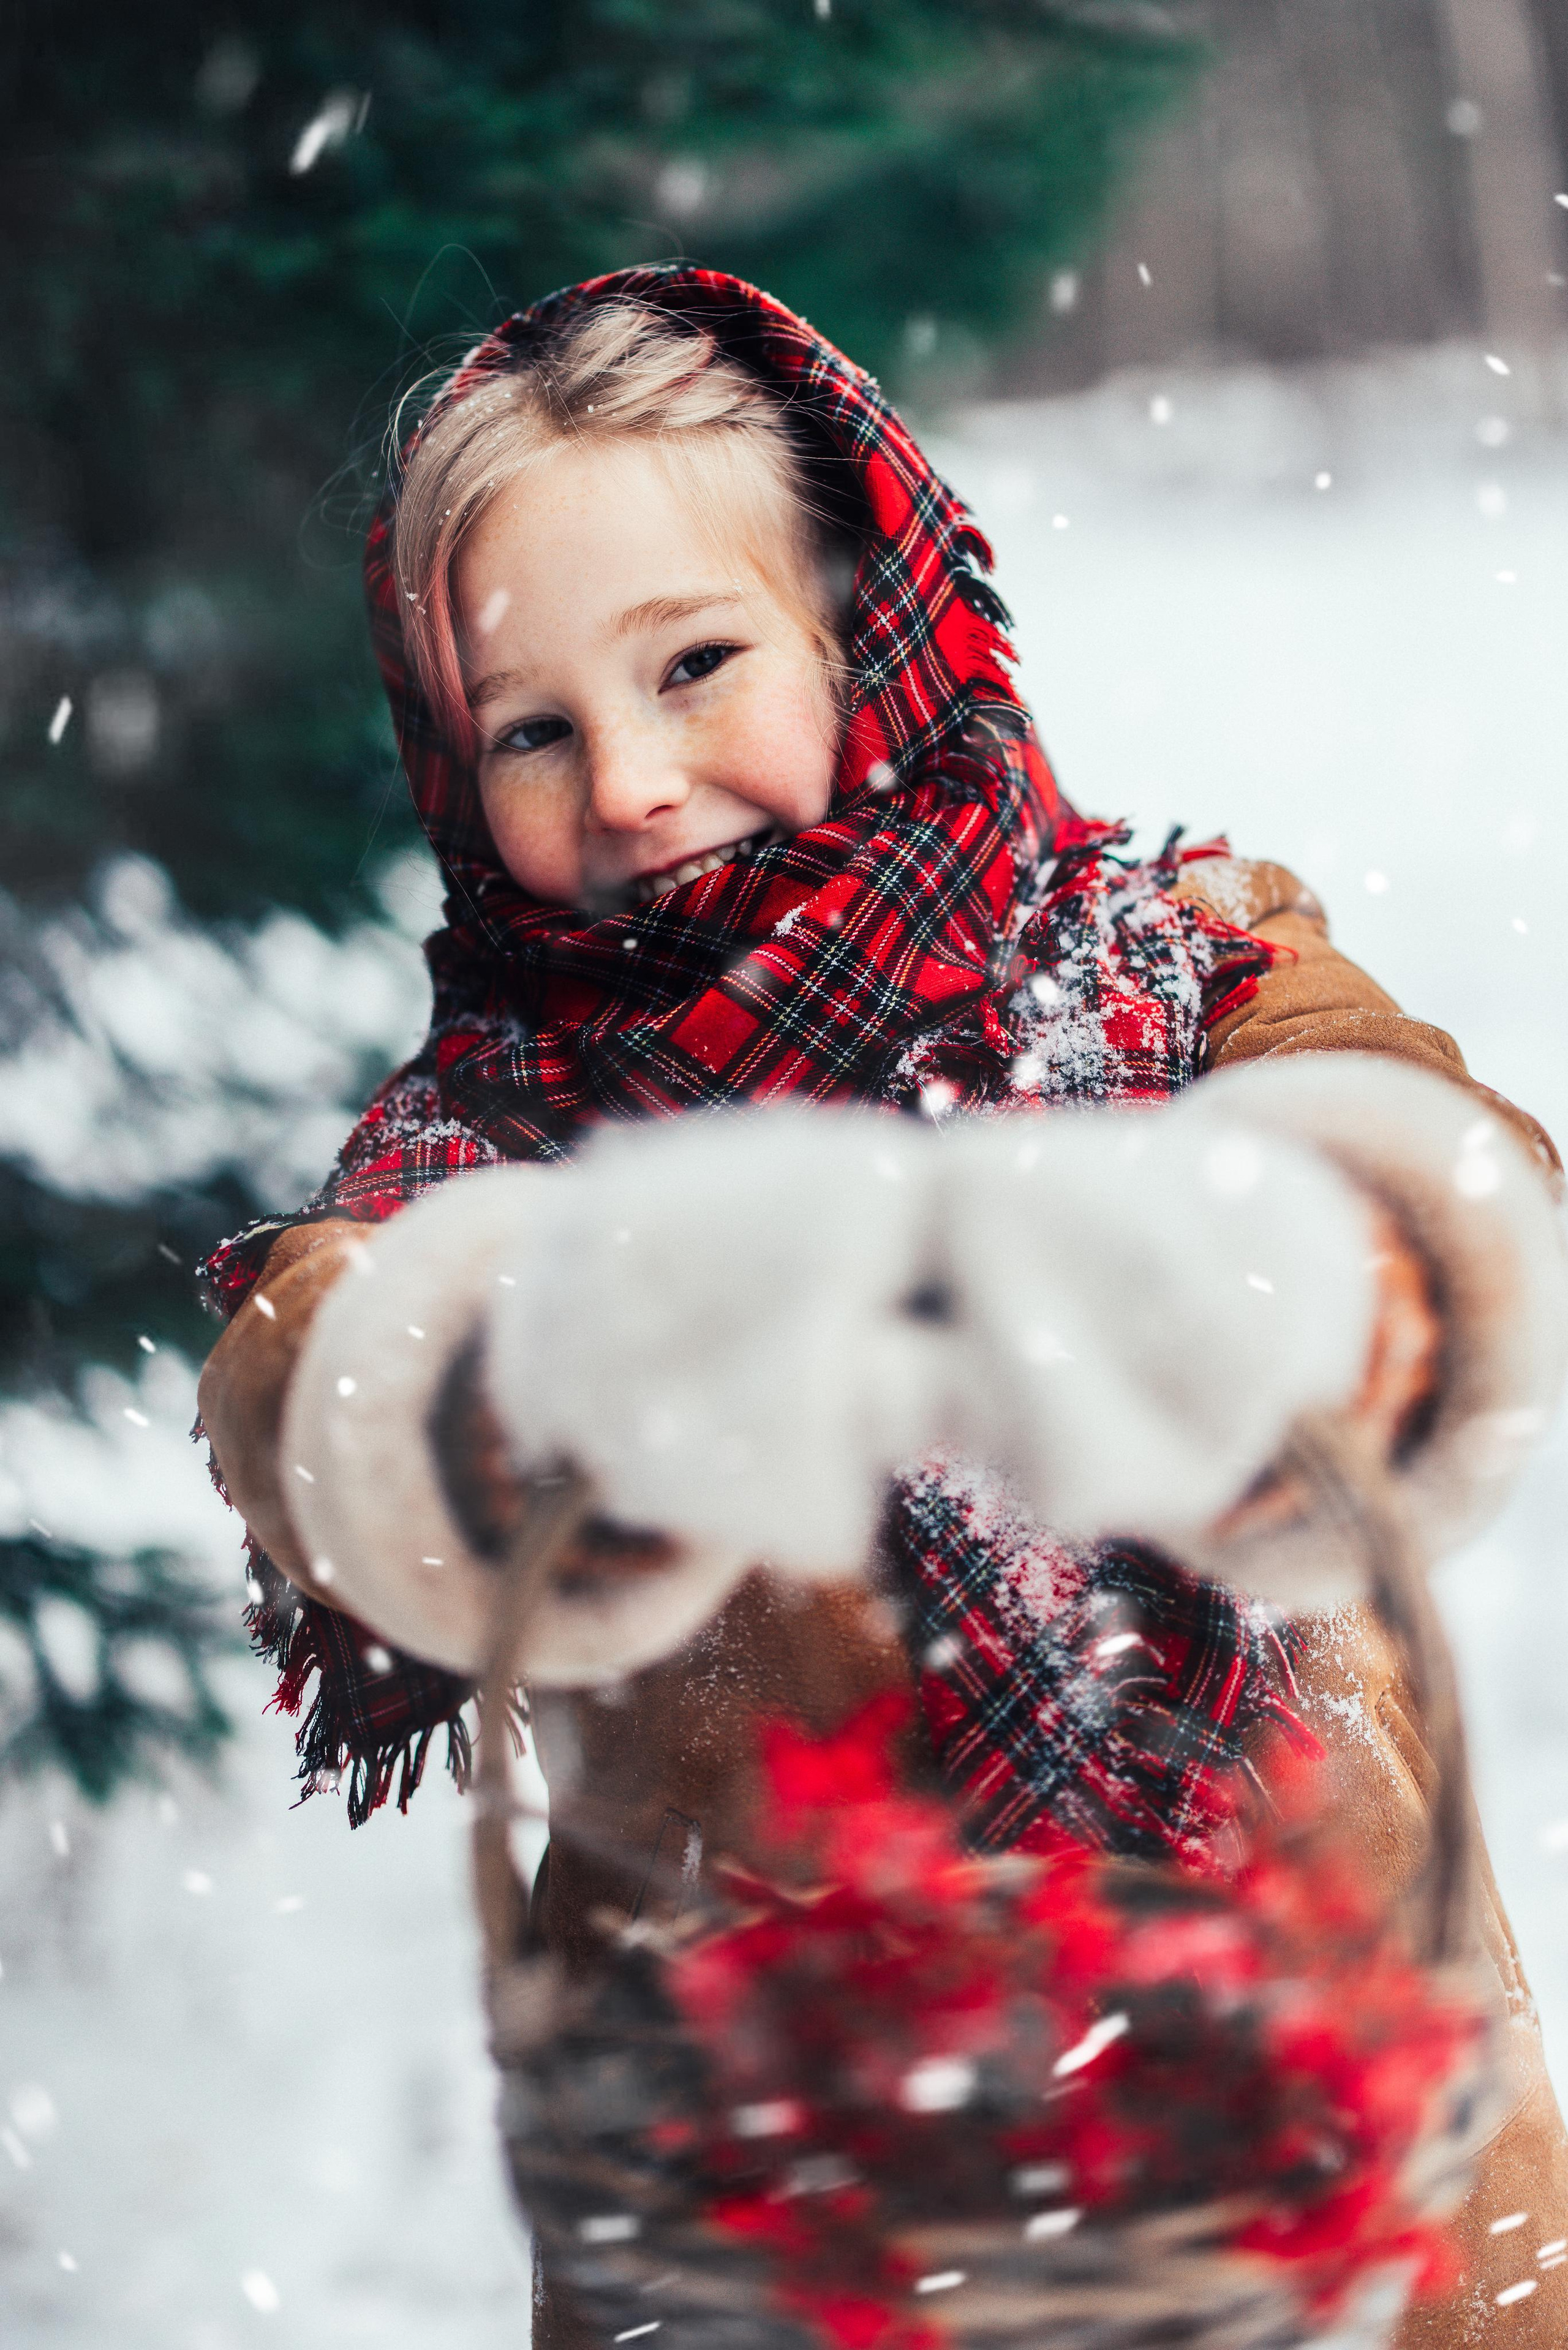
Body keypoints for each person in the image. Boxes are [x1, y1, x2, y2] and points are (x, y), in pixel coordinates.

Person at [197, 268, 1567, 2344]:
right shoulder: (482, 1155)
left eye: (697, 663)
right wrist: (503, 1373)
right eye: (536, 730)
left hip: (1340, 2120)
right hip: (789, 2206)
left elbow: (1427, 1152)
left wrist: (1306, 1238)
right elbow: (314, 1381)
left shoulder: (1166, 963)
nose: (636, 784)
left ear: (861, 626)